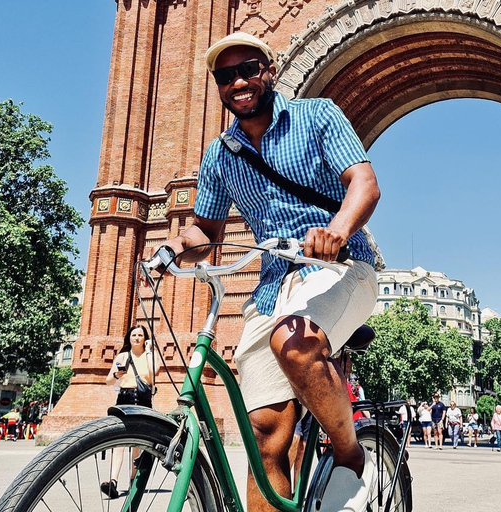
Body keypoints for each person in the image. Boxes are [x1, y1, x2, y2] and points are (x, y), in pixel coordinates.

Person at [153, 32, 381, 512]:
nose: (238, 81)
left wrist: (336, 230)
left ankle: (349, 453)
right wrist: (176, 246)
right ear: (218, 86)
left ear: (269, 71)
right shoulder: (220, 154)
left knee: (294, 344)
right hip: (272, 285)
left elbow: (363, 182)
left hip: (340, 267)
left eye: (248, 69)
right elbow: (205, 231)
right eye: (226, 75)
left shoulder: (316, 115)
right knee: (265, 437)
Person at [101, 325, 161, 499]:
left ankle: (134, 481)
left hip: (142, 400)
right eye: (134, 335)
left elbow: (154, 373)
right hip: (124, 399)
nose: (136, 338)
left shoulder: (150, 355)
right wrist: (117, 375)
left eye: (140, 335)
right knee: (119, 443)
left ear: (145, 338)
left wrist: (149, 350)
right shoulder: (122, 356)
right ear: (129, 338)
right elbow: (108, 381)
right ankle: (113, 481)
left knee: (136, 444)